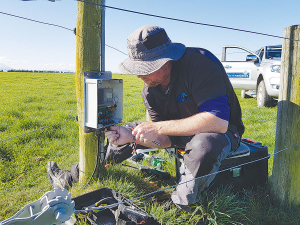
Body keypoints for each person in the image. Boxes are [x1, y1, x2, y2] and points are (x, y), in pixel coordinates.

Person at [47, 25, 244, 211]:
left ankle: (180, 206)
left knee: (203, 144)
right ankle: (74, 176)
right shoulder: (149, 92)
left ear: (167, 61)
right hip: (178, 132)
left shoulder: (199, 63)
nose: (139, 76)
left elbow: (218, 121)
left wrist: (158, 128)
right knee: (122, 132)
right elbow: (165, 139)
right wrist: (133, 136)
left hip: (222, 133)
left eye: (145, 68)